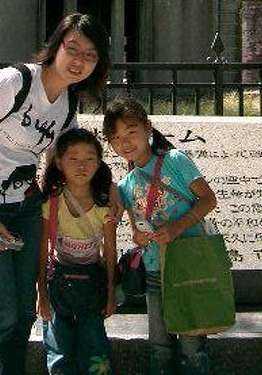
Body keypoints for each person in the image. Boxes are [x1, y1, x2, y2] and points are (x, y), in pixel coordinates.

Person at [0, 13, 110, 375]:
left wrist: (107, 194)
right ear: (55, 47)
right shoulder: (14, 81)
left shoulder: (68, 105)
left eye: (90, 55)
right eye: (73, 49)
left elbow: (59, 164)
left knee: (24, 312)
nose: (79, 61)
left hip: (23, 207)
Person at [103, 98, 218, 375]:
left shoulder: (175, 160)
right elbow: (136, 230)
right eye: (116, 138)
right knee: (159, 345)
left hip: (188, 265)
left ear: (148, 128)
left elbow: (208, 199)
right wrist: (138, 238)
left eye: (131, 132)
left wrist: (178, 226)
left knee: (192, 344)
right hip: (155, 270)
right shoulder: (126, 185)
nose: (125, 142)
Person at [38, 127, 117, 375]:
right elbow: (42, 250)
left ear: (99, 162)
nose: (81, 166)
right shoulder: (52, 201)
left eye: (89, 159)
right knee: (58, 350)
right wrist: (41, 292)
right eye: (73, 159)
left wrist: (111, 292)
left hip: (93, 281)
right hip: (58, 280)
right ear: (59, 163)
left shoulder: (105, 203)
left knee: (95, 349)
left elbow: (110, 251)